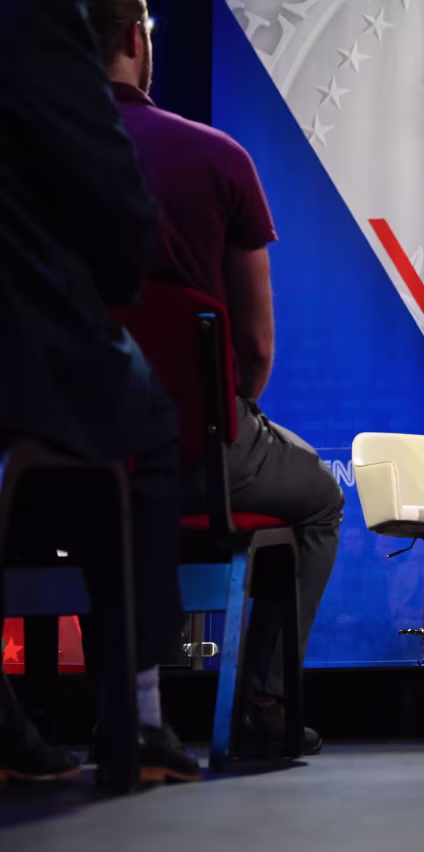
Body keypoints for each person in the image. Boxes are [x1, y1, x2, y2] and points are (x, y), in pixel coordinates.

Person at [88, 0, 341, 756]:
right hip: (199, 456)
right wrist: (225, 422)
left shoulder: (28, 160)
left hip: (65, 467)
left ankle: (97, 710)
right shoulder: (217, 158)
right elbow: (255, 347)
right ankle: (263, 701)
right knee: (322, 500)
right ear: (135, 37)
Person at [0, 0, 197, 782]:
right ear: (136, 39)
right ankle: (137, 718)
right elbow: (119, 214)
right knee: (145, 424)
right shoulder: (32, 18)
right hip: (24, 350)